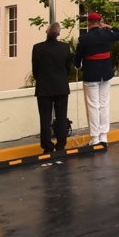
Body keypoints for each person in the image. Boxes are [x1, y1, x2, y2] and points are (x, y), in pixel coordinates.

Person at [74, 13, 119, 146]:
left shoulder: (84, 38)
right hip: (106, 73)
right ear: (99, 22)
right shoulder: (107, 34)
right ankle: (104, 136)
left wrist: (77, 65)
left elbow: (77, 58)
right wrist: (109, 27)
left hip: (91, 74)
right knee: (104, 105)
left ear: (88, 23)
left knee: (93, 106)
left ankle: (95, 138)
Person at [32, 22, 71, 153]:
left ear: (46, 32)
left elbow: (35, 70)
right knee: (61, 117)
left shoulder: (37, 48)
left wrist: (42, 80)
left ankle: (47, 146)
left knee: (45, 118)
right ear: (59, 34)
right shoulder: (65, 48)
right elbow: (68, 69)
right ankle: (61, 145)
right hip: (61, 87)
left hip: (44, 88)